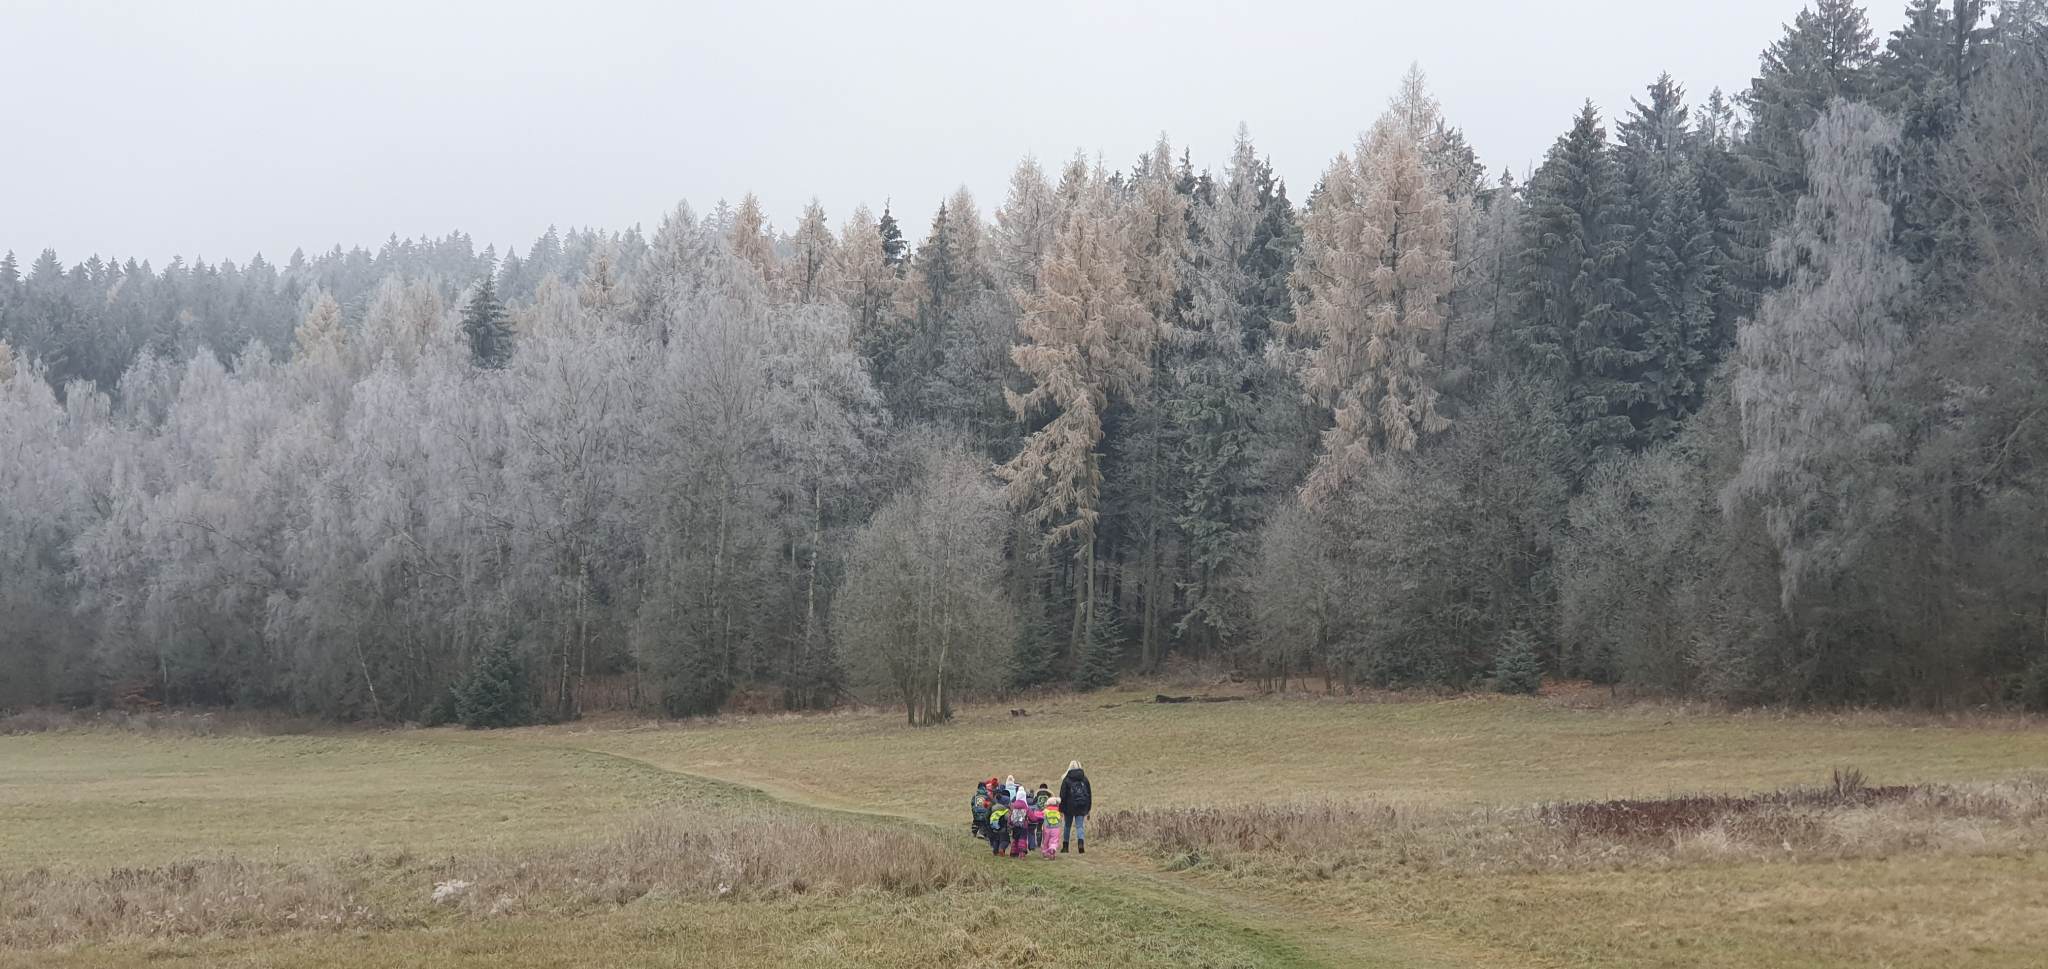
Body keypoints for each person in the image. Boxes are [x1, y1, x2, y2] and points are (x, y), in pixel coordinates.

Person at [1059, 760, 1091, 853]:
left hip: (1069, 806)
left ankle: (1065, 847)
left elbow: (1062, 795)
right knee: (1080, 826)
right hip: (1081, 805)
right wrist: (1088, 809)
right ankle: (1081, 844)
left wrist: (1060, 808)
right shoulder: (1084, 779)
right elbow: (1089, 794)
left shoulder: (1066, 779)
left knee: (1067, 826)